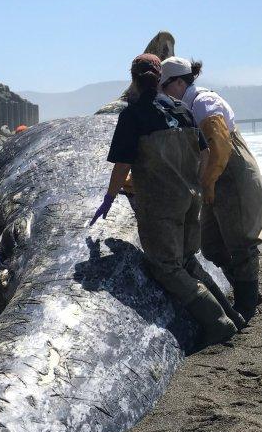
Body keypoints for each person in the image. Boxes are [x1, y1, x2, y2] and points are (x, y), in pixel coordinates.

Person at [101, 53, 242, 348]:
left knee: (166, 266)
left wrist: (109, 197)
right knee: (188, 259)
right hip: (191, 199)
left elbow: (123, 164)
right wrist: (197, 186)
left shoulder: (133, 114)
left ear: (134, 79)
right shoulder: (182, 109)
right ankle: (233, 314)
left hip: (160, 203)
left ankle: (218, 322)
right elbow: (204, 154)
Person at [160, 57, 262, 321]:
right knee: (211, 246)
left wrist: (206, 184)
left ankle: (247, 305)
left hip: (231, 174)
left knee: (241, 241)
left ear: (180, 82)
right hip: (214, 178)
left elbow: (219, 149)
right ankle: (245, 288)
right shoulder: (186, 105)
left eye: (165, 86)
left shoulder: (205, 103)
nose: (162, 92)